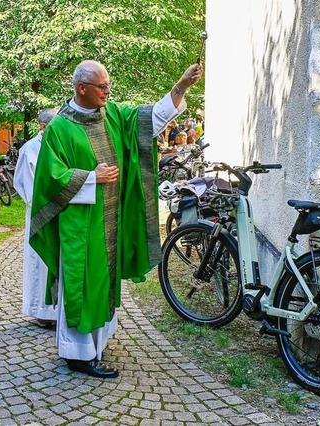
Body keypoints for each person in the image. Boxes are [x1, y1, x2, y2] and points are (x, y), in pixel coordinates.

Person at [30, 60, 202, 378]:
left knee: (102, 282)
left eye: (109, 86)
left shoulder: (113, 116)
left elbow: (151, 118)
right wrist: (90, 177)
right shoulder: (60, 128)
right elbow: (49, 179)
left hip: (108, 221)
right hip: (79, 227)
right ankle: (77, 354)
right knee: (82, 283)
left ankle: (96, 345)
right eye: (102, 87)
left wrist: (181, 87)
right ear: (82, 88)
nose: (108, 92)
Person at [13, 108, 59, 328]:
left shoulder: (59, 146)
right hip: (41, 213)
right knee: (39, 263)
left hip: (61, 212)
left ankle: (58, 308)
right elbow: (25, 184)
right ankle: (41, 311)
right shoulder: (30, 149)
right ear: (43, 126)